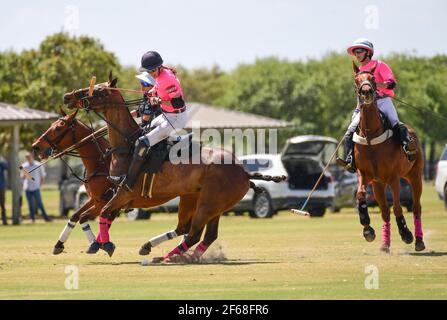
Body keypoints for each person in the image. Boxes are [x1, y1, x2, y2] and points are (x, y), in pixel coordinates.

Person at [108, 51, 188, 191]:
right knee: (141, 132)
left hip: (175, 118)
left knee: (142, 142)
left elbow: (178, 104)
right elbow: (158, 87)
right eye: (148, 71)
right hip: (167, 115)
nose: (150, 73)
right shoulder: (160, 73)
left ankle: (128, 181)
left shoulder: (167, 79)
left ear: (158, 67)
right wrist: (153, 93)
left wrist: (158, 100)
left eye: (152, 70)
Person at [336, 38, 415, 173]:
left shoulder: (380, 65)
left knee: (396, 123)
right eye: (355, 52)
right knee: (350, 131)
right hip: (365, 105)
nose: (357, 54)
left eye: (359, 51)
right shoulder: (359, 70)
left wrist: (373, 85)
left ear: (368, 52)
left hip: (383, 101)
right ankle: (350, 160)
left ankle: (408, 148)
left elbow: (391, 83)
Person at [20, 152, 51, 222]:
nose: (28, 158)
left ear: (32, 156)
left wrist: (40, 185)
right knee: (30, 204)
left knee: (39, 203)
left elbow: (42, 176)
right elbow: (22, 177)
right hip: (27, 188)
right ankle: (32, 218)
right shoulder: (24, 166)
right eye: (27, 157)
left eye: (29, 157)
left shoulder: (38, 165)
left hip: (36, 187)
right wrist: (24, 176)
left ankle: (45, 218)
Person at [0, 157, 8, 225]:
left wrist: (2, 159)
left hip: (1, 187)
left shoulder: (1, 164)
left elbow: (7, 166)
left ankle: (4, 221)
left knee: (2, 205)